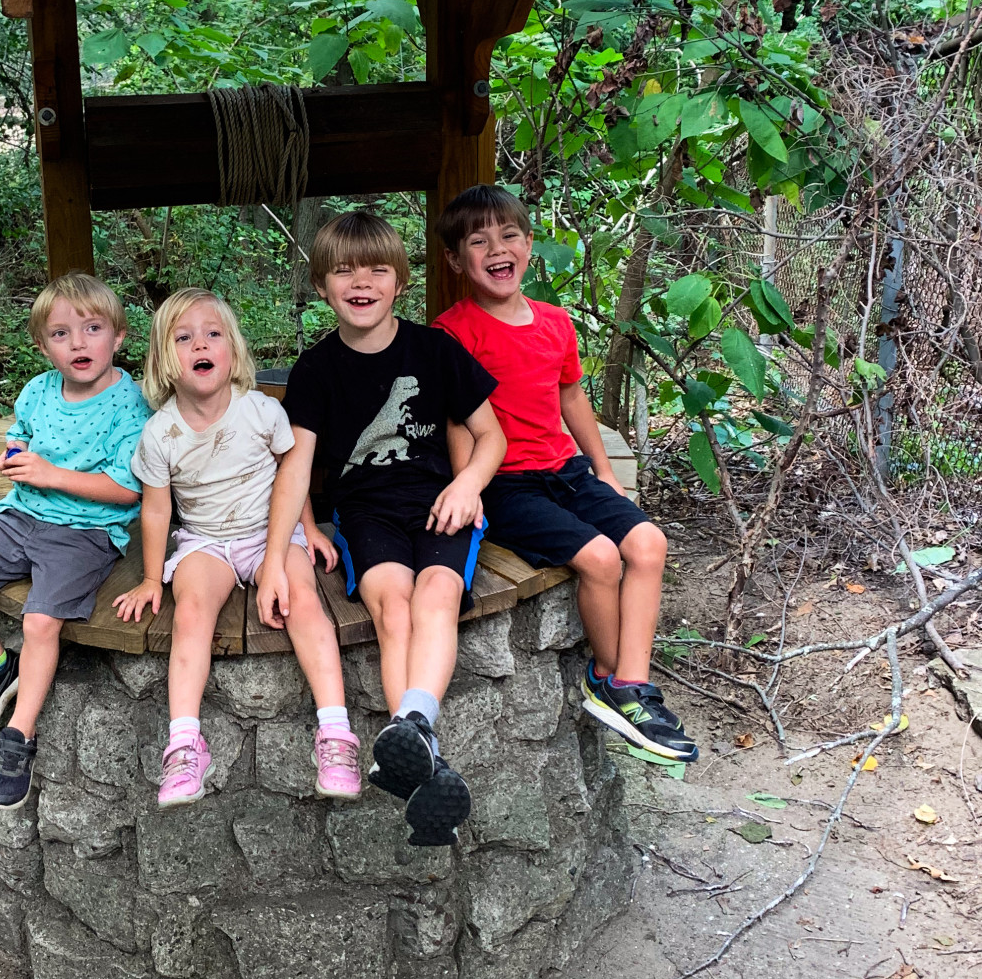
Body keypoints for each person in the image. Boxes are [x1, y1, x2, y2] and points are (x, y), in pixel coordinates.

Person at [262, 213, 507, 847]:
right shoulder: (316, 370)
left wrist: (467, 485)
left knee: (437, 597)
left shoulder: (433, 350)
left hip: (438, 504)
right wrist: (280, 548)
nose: (361, 281)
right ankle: (423, 746)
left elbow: (490, 437)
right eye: (344, 270)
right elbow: (295, 469)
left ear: (400, 281)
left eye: (376, 269)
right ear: (322, 286)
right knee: (392, 606)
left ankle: (413, 738)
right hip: (364, 513)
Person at [433, 184, 697, 764]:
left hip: (568, 470)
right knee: (601, 558)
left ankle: (628, 683)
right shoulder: (454, 331)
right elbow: (458, 423)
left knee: (649, 543)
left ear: (529, 244)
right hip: (506, 484)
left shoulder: (555, 323)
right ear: (456, 260)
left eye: (509, 236)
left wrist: (603, 469)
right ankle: (610, 680)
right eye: (479, 241)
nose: (497, 249)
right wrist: (467, 485)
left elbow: (572, 398)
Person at [115, 288, 359, 807]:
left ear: (233, 350)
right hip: (206, 540)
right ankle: (184, 743)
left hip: (271, 531)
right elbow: (157, 510)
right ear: (163, 360)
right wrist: (149, 576)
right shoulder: (159, 434)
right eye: (183, 338)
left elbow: (290, 478)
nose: (199, 344)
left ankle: (335, 733)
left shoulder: (261, 411)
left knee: (303, 598)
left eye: (212, 334)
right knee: (192, 611)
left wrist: (309, 529)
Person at [0, 272, 149, 809]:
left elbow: (125, 490)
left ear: (118, 337)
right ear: (43, 345)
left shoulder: (130, 406)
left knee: (39, 619)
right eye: (60, 333)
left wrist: (50, 473)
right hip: (20, 515)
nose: (78, 343)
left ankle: (20, 736)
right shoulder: (38, 390)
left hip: (85, 532)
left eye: (92, 328)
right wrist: (12, 455)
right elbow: (21, 434)